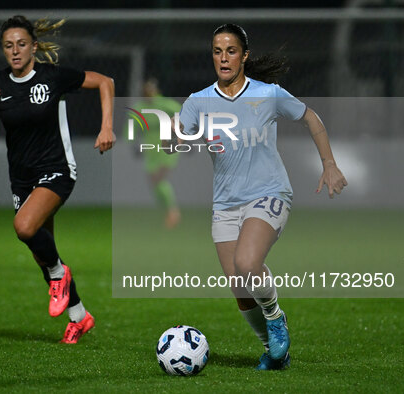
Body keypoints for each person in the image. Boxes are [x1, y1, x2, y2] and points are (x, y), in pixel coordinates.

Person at [171, 24, 347, 369]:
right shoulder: (198, 101)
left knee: (248, 264)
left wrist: (329, 164)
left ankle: (276, 317)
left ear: (244, 56)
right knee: (240, 288)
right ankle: (274, 352)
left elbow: (311, 118)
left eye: (231, 51)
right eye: (217, 51)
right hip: (225, 204)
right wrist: (171, 140)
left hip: (269, 193)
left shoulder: (268, 94)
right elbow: (179, 139)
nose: (223, 58)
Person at [0, 15, 115, 344]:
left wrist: (107, 125)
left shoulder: (52, 76)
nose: (15, 51)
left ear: (34, 47)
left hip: (57, 169)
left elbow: (105, 81)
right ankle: (79, 317)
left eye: (21, 44)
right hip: (22, 180)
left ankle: (60, 274)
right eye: (9, 46)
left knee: (25, 229)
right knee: (44, 251)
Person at [130, 78, 182, 229]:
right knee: (154, 182)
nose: (148, 95)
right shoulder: (139, 107)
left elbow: (182, 113)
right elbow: (133, 125)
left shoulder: (165, 104)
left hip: (168, 147)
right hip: (152, 151)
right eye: (145, 92)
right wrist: (134, 143)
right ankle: (168, 211)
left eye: (151, 91)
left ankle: (173, 212)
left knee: (158, 178)